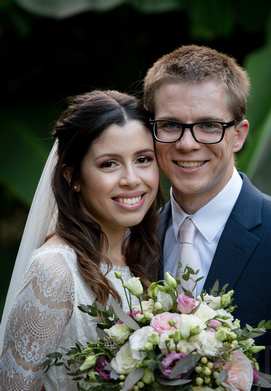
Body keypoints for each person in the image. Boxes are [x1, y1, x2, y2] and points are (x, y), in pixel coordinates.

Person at [143, 44, 271, 390]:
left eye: (209, 126)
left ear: (239, 134)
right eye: (170, 125)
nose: (187, 144)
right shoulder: (133, 239)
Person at [0, 89, 162, 390]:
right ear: (73, 177)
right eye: (109, 164)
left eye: (143, 159)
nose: (131, 178)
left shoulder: (138, 261)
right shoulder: (55, 271)